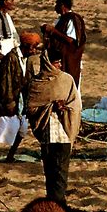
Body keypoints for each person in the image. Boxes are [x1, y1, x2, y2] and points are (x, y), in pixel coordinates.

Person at [23, 49, 82, 203]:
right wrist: (49, 107)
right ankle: (53, 203)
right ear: (48, 63)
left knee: (61, 173)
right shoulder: (36, 83)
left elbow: (76, 104)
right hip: (46, 134)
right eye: (57, 62)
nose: (60, 65)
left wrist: (64, 107)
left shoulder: (67, 80)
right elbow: (30, 108)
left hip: (63, 133)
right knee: (49, 173)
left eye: (61, 62)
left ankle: (59, 205)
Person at [0, 32, 43, 162]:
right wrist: (9, 102)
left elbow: (29, 79)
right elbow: (5, 82)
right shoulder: (10, 58)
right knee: (4, 125)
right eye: (33, 48)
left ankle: (10, 155)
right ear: (26, 47)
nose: (34, 51)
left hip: (21, 99)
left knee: (22, 128)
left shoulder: (27, 60)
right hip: (9, 99)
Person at [42, 0, 87, 90]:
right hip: (60, 58)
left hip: (69, 59)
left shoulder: (72, 19)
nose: (55, 7)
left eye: (57, 4)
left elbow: (70, 40)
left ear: (62, 5)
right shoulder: (61, 20)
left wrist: (52, 31)